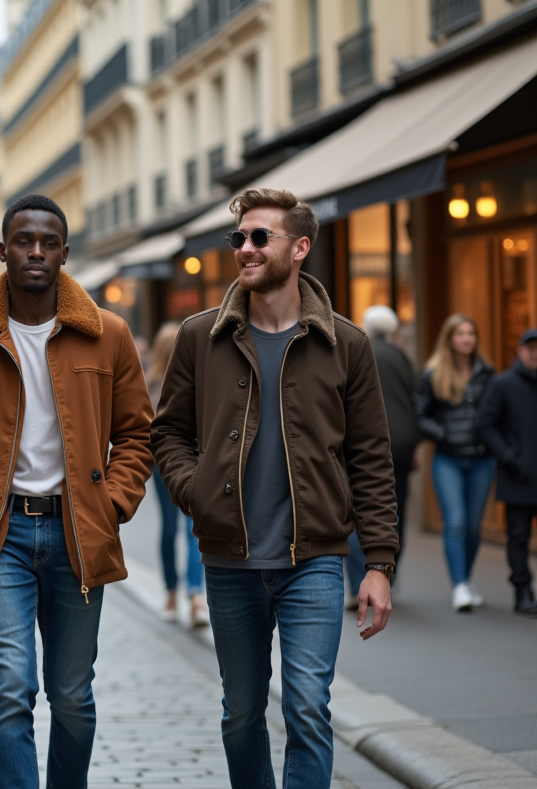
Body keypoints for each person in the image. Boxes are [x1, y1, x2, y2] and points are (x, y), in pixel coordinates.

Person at [152, 188, 397, 788]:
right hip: (230, 560)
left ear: (301, 247)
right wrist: (197, 491)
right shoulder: (198, 337)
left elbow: (370, 458)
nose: (246, 249)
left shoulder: (348, 344)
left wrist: (380, 563)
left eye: (261, 237)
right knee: (241, 715)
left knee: (308, 707)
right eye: (239, 238)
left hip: (313, 558)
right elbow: (168, 434)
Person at [0, 194, 153, 789]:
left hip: (80, 531)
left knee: (73, 697)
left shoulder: (109, 335)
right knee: (9, 687)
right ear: (3, 251)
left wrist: (113, 503)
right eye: (23, 241)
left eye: (47, 243)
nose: (35, 252)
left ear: (64, 252)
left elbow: (136, 434)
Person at [415, 313, 495, 612]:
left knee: (474, 526)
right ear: (449, 339)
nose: (466, 339)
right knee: (456, 522)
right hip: (447, 459)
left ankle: (466, 579)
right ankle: (459, 584)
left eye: (471, 333)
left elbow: (497, 415)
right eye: (460, 333)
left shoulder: (487, 373)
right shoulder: (432, 373)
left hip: (482, 460)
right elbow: (420, 416)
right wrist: (444, 435)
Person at [344, 306, 420, 605]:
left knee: (351, 514)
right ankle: (387, 576)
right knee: (394, 510)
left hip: (363, 444)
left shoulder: (356, 349)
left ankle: (357, 585)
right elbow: (413, 398)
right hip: (401, 444)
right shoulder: (401, 356)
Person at [146, 320, 205, 626]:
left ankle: (172, 595)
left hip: (160, 466)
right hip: (195, 461)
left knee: (170, 529)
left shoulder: (149, 385)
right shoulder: (194, 379)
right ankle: (195, 596)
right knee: (192, 528)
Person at [474, 328, 537, 616]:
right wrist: (511, 458)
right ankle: (523, 592)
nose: (535, 353)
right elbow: (485, 425)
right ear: (520, 351)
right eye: (530, 348)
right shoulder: (503, 385)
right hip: (519, 476)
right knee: (518, 536)